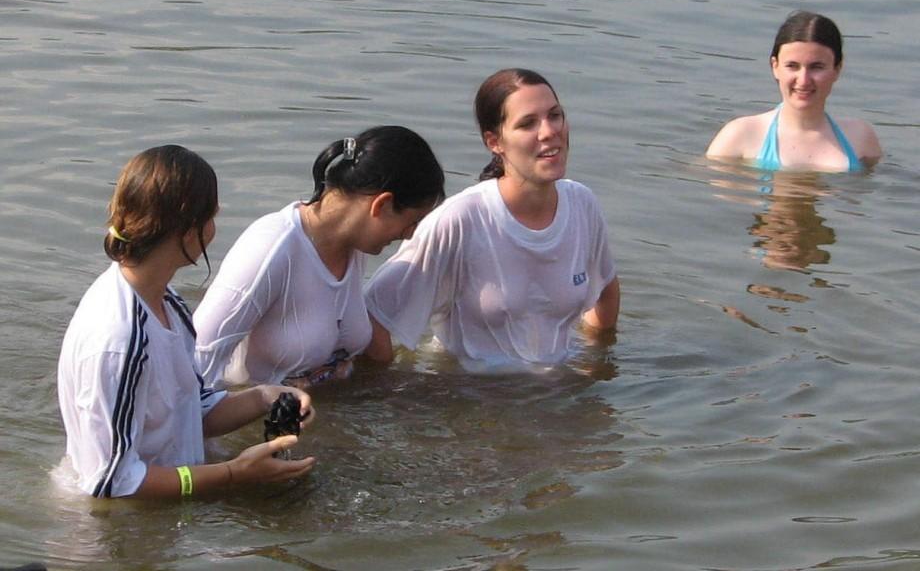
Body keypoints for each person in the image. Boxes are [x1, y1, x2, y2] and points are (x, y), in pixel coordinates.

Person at [57, 145, 315, 499]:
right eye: (211, 216)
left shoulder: (167, 302)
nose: (214, 228)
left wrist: (264, 397)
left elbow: (187, 411)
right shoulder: (119, 339)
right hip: (109, 534)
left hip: (167, 510)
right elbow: (111, 483)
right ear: (188, 229)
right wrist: (232, 474)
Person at [364, 68, 621, 371]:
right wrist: (396, 397)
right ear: (494, 142)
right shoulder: (459, 220)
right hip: (475, 403)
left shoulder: (582, 204)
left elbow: (605, 287)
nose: (550, 131)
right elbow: (374, 313)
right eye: (528, 123)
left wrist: (595, 363)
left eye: (555, 115)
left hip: (558, 398)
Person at [194, 125, 445, 389]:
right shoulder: (272, 248)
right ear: (381, 204)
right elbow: (198, 358)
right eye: (412, 222)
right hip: (269, 421)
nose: (409, 235)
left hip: (331, 411)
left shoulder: (353, 246)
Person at [706, 11, 882, 171]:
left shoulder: (860, 137)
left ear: (837, 69)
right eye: (792, 66)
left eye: (817, 67)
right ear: (775, 67)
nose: (804, 80)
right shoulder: (740, 135)